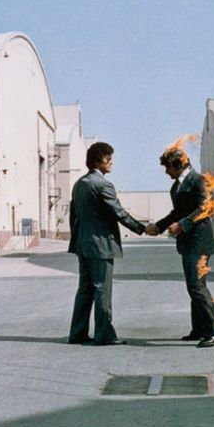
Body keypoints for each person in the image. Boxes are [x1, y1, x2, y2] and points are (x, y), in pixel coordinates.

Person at [68, 142, 145, 345]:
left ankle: (77, 333)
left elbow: (73, 215)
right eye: (107, 158)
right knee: (102, 288)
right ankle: (104, 335)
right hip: (100, 244)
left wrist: (78, 238)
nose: (111, 161)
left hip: (83, 244)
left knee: (85, 289)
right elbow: (118, 212)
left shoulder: (79, 184)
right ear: (96, 161)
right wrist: (142, 228)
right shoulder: (103, 185)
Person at [145, 149, 214, 348]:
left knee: (197, 287)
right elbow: (176, 212)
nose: (166, 172)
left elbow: (205, 208)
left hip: (199, 242)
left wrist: (183, 225)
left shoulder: (199, 181)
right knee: (193, 287)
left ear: (178, 165)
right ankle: (199, 330)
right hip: (188, 243)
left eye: (167, 167)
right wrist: (159, 226)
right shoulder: (176, 187)